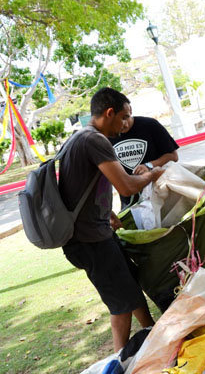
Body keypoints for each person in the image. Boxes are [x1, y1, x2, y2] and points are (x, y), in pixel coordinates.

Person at [59, 87, 164, 352]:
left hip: (96, 232)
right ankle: (119, 366)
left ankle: (152, 331)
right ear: (109, 113)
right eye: (124, 116)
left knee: (128, 281)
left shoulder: (79, 138)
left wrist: (106, 211)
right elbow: (127, 187)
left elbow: (80, 187)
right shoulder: (95, 140)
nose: (127, 123)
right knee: (120, 304)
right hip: (89, 240)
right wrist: (152, 173)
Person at [109, 114, 179, 208]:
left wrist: (149, 165)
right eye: (118, 120)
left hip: (162, 195)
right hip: (131, 203)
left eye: (126, 118)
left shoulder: (149, 124)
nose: (124, 124)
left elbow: (173, 156)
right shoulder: (106, 136)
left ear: (129, 109)